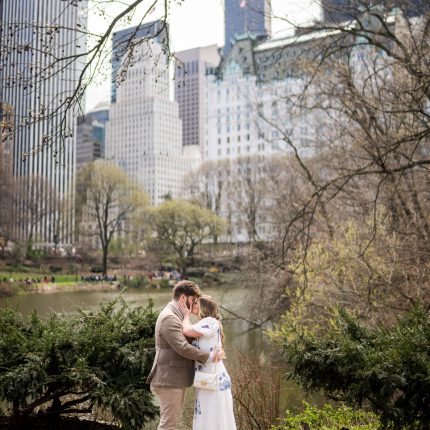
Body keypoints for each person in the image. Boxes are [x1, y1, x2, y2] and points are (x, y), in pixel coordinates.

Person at [147, 280, 221, 430]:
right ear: (182, 298)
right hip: (169, 380)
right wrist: (209, 356)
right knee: (168, 425)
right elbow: (182, 347)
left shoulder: (177, 315)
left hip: (174, 380)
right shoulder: (169, 317)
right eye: (193, 300)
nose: (195, 304)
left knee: (171, 423)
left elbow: (190, 337)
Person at [179, 295, 237, 430]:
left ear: (203, 307)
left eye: (195, 303)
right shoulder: (203, 324)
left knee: (212, 414)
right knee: (207, 414)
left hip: (213, 378)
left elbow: (186, 330)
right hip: (205, 378)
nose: (192, 306)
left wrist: (186, 315)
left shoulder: (210, 322)